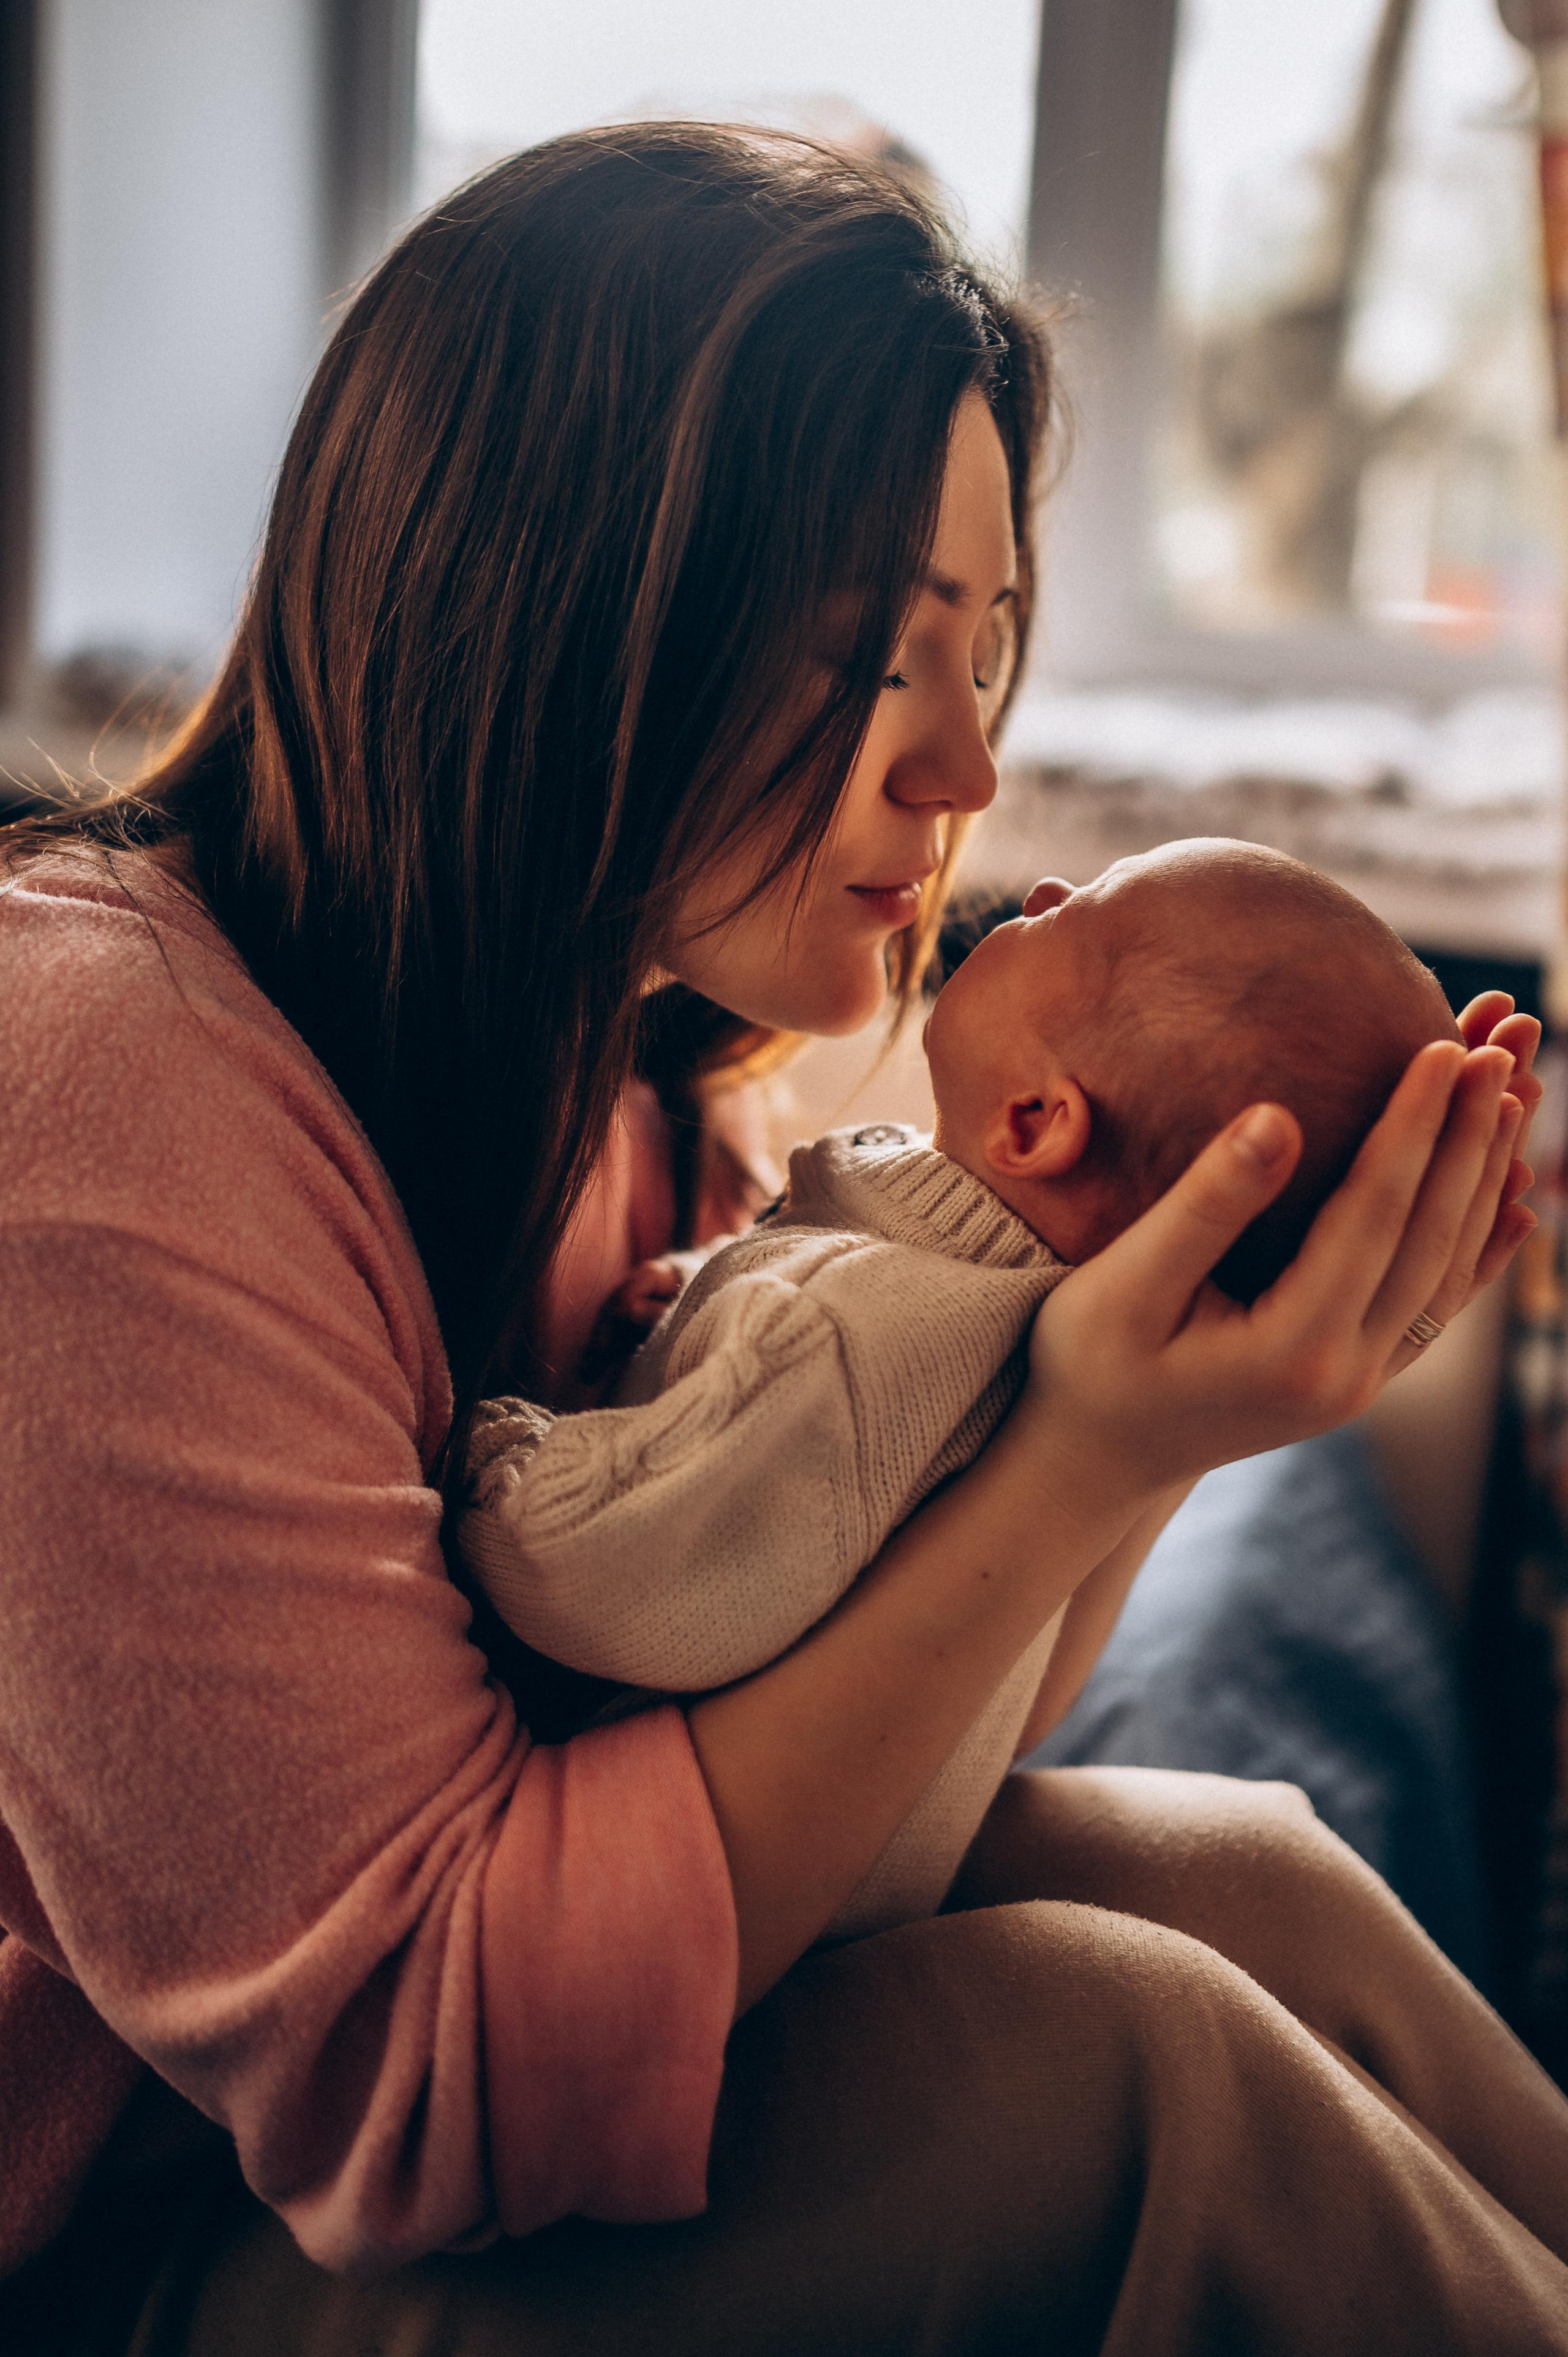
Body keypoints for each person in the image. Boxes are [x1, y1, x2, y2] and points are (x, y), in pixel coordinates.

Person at [2, 124, 1566, 2355]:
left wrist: (1152, 1411)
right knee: (1148, 2071)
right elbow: (419, 2080)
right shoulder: (87, 1095)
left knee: (1252, 1873)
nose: (959, 773)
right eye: (870, 654)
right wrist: (1078, 1459)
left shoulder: (624, 1068)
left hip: (355, 2129)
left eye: (988, 649)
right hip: (137, 2226)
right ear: (543, 615)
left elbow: (890, 1771)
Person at [457, 840, 1468, 1950]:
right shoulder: (1016, 1336)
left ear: (1034, 1123)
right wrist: (699, 1297)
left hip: (700, 1942)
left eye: (1073, 919)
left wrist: (494, 1440)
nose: (1037, 890)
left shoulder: (836, 1328)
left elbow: (598, 1575)